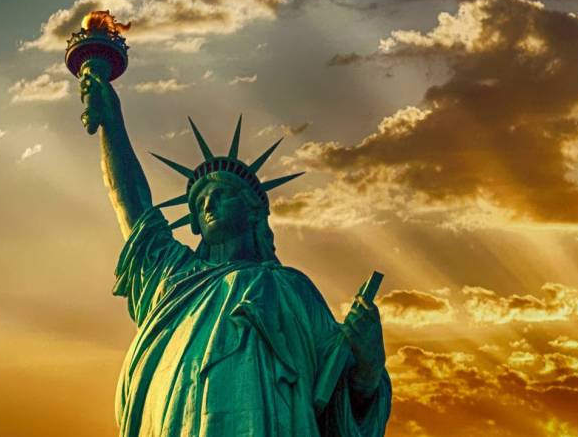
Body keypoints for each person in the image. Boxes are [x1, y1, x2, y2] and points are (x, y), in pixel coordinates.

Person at [79, 65, 390, 436]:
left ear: (254, 210)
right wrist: (112, 124)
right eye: (200, 202)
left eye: (221, 194)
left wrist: (367, 366)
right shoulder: (172, 276)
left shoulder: (292, 290)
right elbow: (131, 204)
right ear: (193, 222)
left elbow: (337, 391)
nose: (209, 204)